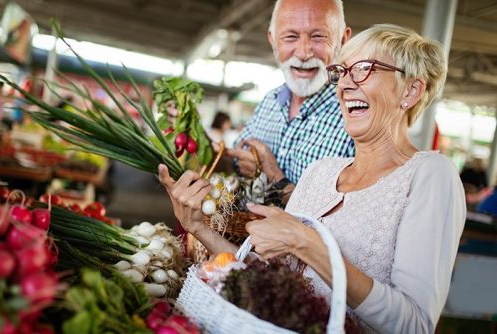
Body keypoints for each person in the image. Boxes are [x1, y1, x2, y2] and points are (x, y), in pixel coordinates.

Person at [158, 24, 466, 333]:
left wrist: (307, 243)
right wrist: (198, 226)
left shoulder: (429, 174)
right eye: (341, 72)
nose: (344, 84)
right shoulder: (321, 171)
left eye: (363, 69)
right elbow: (270, 281)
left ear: (411, 91)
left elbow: (414, 325)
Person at [166, 0, 355, 202]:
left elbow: (348, 215)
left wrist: (273, 176)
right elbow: (234, 165)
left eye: (319, 37)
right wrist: (197, 137)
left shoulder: (355, 113)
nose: (303, 53)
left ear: (343, 39)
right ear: (273, 40)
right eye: (291, 37)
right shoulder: (270, 101)